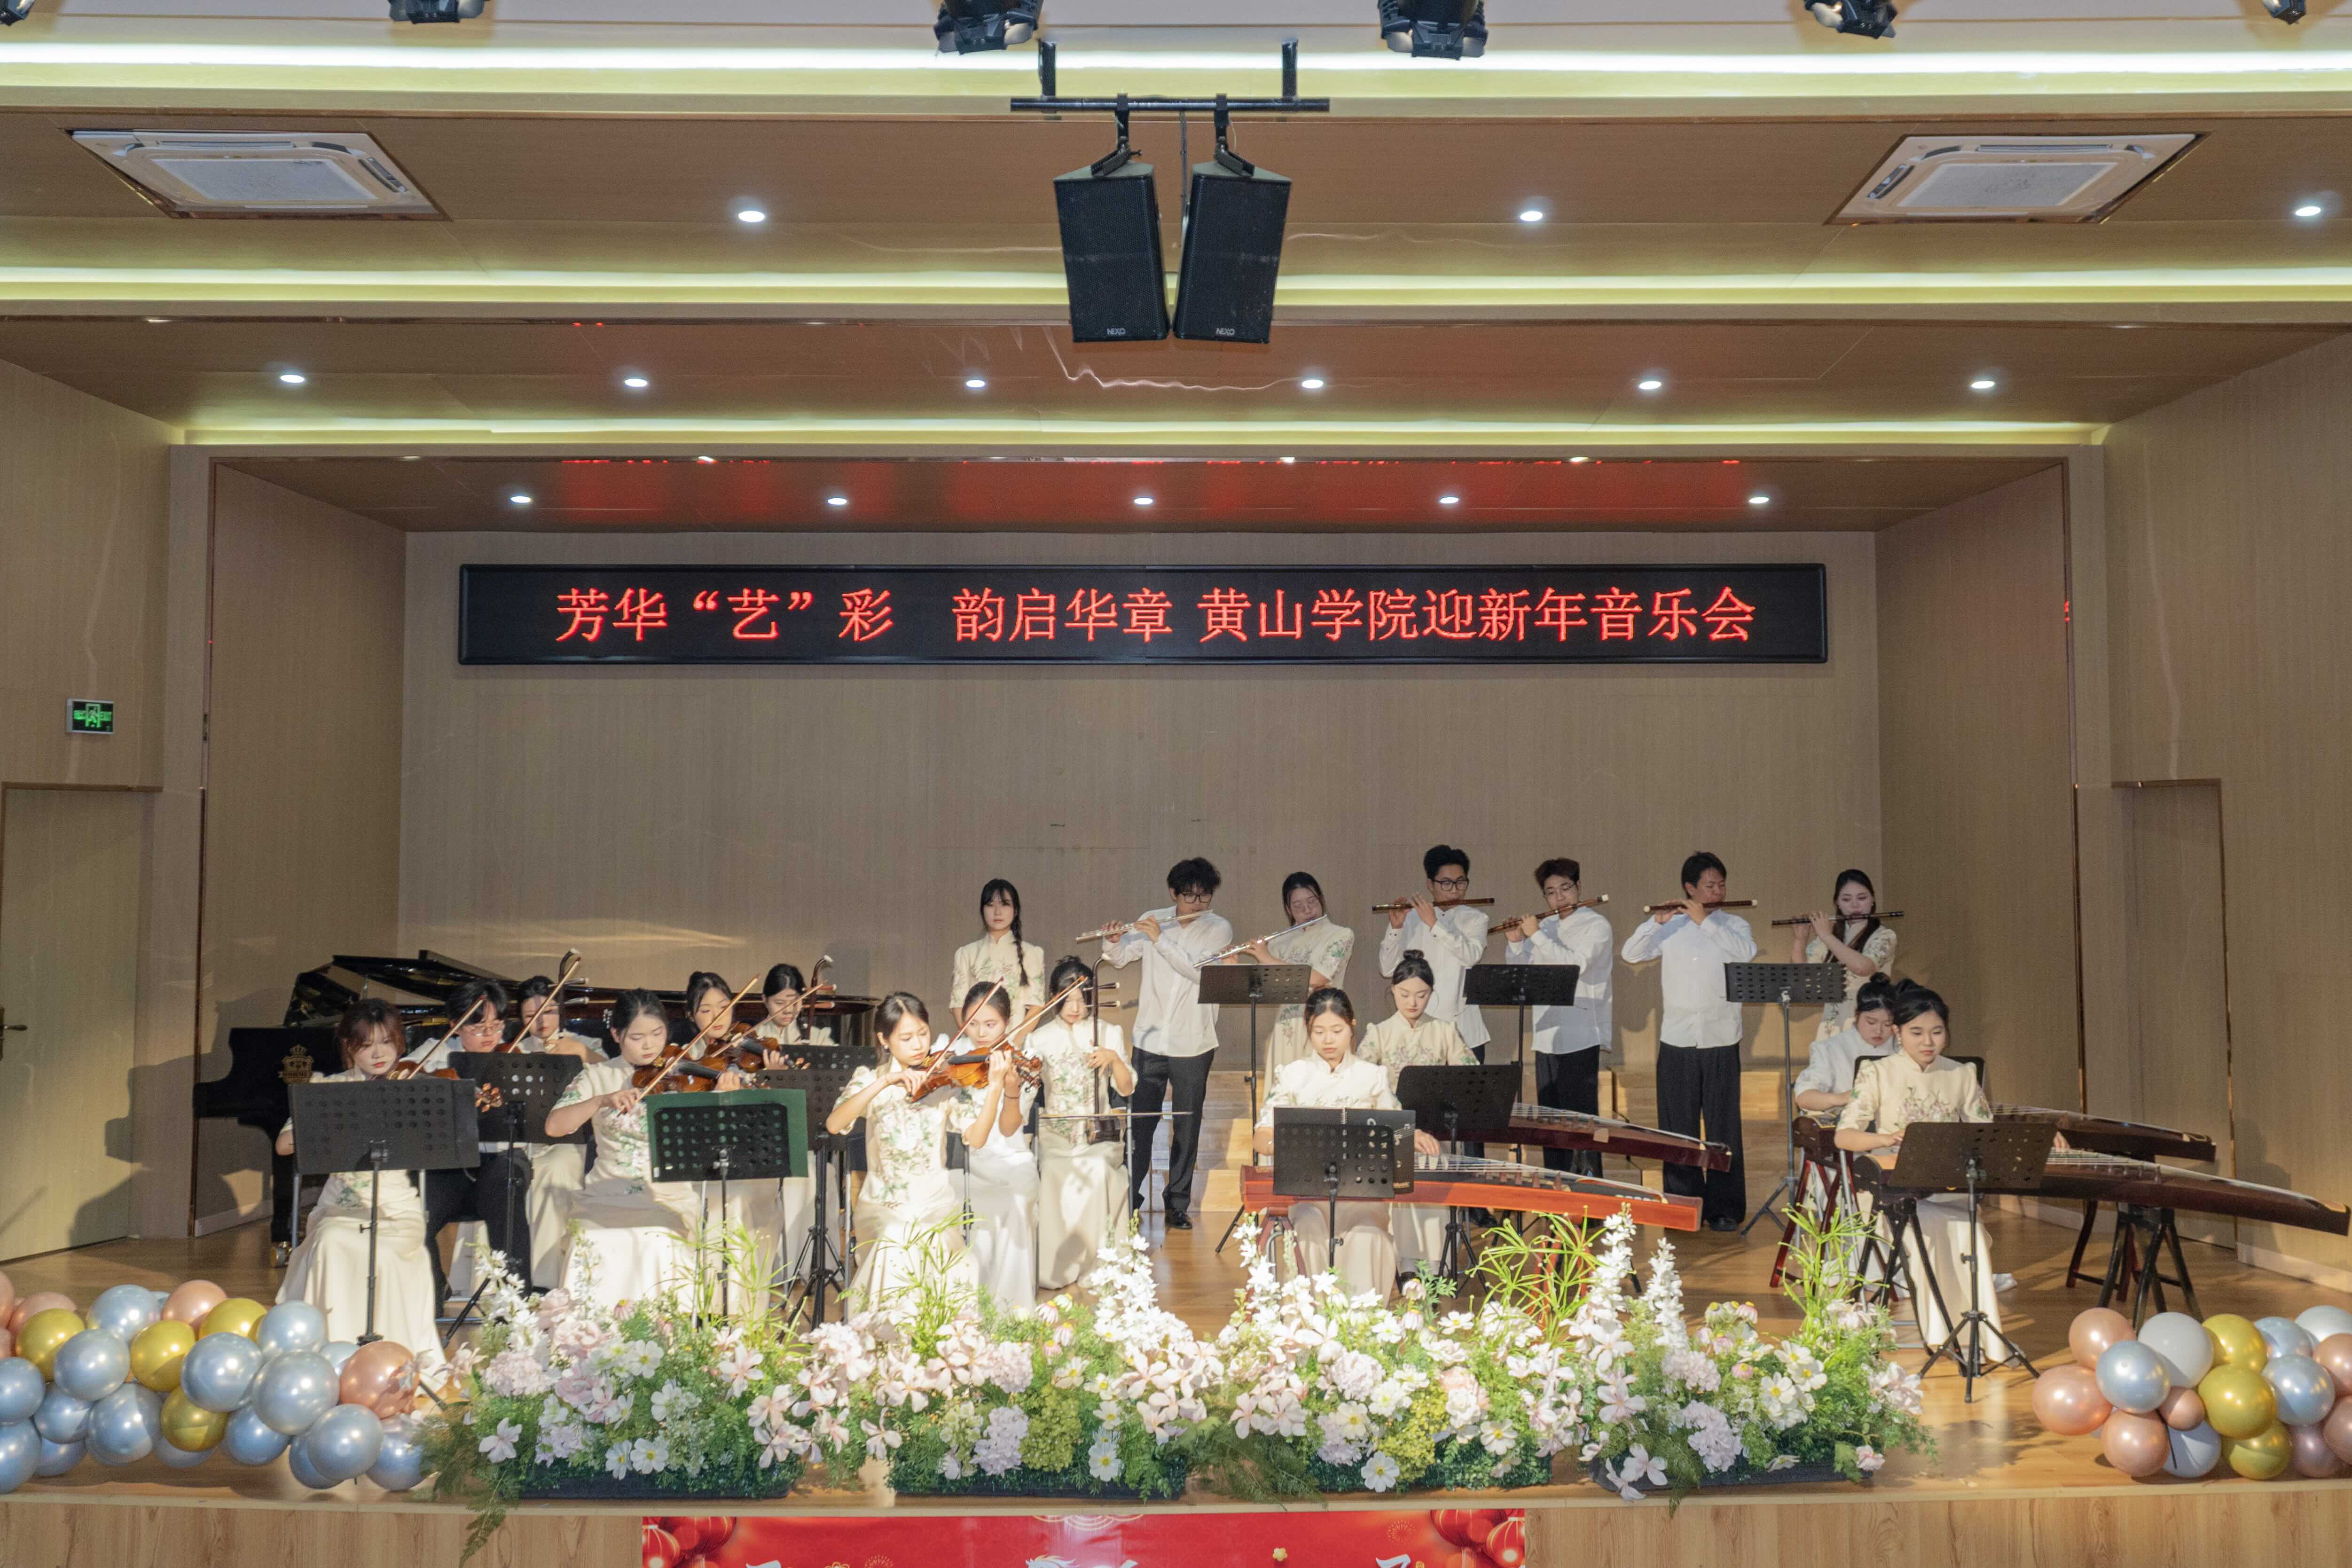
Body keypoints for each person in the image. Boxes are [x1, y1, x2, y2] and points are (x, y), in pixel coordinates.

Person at [543, 989, 750, 1311]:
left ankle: (665, 1328)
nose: (650, 1046)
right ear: (616, 1035)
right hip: (606, 1194)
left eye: (657, 1034)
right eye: (637, 1038)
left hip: (667, 1196)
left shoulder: (685, 1076)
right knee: (593, 1239)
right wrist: (600, 1100)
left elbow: (714, 1141)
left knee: (659, 1239)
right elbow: (554, 1126)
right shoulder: (598, 1076)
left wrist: (722, 1100)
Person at [274, 1001, 445, 1370]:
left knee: (385, 1254)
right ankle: (332, 1360)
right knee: (332, 1242)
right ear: (349, 1047)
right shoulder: (328, 1088)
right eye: (367, 1046)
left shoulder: (412, 1090)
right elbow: (284, 1144)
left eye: (387, 1042)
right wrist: (330, 1122)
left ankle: (393, 1361)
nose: (379, 1054)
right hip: (341, 1208)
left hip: (397, 1210)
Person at [1835, 980, 2001, 1351]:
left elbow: (1985, 1134)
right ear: (1897, 1032)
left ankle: (1978, 1339)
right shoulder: (1878, 1073)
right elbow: (1844, 1136)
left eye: (1937, 1032)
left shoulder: (1961, 1074)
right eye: (1916, 1032)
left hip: (1949, 1190)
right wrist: (1885, 1139)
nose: (1928, 1042)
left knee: (1970, 1235)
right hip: (1899, 1193)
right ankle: (1944, 1335)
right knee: (1928, 1234)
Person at [825, 993, 1012, 1312]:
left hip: (935, 1206)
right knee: (897, 1236)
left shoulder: (944, 1081)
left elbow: (977, 1139)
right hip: (883, 1207)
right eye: (907, 1038)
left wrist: (995, 1088)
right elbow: (834, 1124)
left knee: (924, 1236)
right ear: (884, 1040)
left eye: (923, 1034)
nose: (918, 1045)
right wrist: (886, 1082)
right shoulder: (869, 1079)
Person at [1253, 988, 1442, 1298]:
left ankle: (1361, 1321)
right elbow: (1262, 1136)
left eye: (1337, 1031)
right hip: (1307, 1193)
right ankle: (1308, 1319)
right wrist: (1286, 1145)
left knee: (1369, 1235)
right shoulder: (1292, 1075)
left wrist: (1415, 1134)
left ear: (1352, 1026)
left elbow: (1397, 1126)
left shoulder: (1373, 1076)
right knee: (1307, 1231)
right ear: (1308, 1029)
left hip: (1361, 1192)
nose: (1328, 1040)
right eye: (1319, 1032)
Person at [1619, 851, 1756, 1231]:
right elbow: (1631, 954)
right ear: (1689, 889)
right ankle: (1682, 1208)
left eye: (1721, 885)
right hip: (1677, 1040)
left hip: (1721, 1038)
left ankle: (1725, 1209)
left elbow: (1745, 954)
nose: (1718, 892)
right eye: (1710, 886)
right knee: (1678, 1129)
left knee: (1723, 1129)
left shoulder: (1735, 925)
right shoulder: (1671, 928)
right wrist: (1655, 922)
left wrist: (1705, 922)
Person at [1102, 857, 1234, 1232]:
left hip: (1194, 1041)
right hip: (1150, 1038)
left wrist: (1160, 939)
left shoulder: (1219, 928)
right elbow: (1120, 958)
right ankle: (1129, 1199)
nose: (1197, 904)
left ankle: (1177, 1203)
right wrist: (1113, 941)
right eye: (1189, 896)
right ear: (1174, 893)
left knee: (1187, 1127)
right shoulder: (1154, 918)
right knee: (1141, 1123)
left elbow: (1197, 972)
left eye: (1204, 897)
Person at [1354, 954, 1476, 1272]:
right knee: (1405, 1161)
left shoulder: (1445, 1030)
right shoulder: (1378, 1033)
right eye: (1405, 994)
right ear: (1393, 991)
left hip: (1435, 1127)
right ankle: (1404, 1265)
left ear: (1431, 993)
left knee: (1434, 1158)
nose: (1413, 1003)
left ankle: (1436, 1265)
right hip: (1391, 1128)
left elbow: (1472, 1079)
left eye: (1422, 995)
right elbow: (1359, 1084)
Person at [413, 978, 533, 1303]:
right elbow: (404, 1077)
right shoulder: (435, 1055)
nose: (490, 1035)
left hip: (502, 1160)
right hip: (448, 1166)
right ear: (455, 1025)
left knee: (506, 1185)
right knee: (416, 1213)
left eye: (497, 1025)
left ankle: (514, 1304)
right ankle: (433, 1292)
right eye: (478, 1028)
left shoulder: (516, 1057)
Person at [1500, 856, 1616, 1175]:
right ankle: (1557, 1189)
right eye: (1551, 893)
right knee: (1550, 1124)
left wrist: (1536, 936)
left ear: (1579, 887)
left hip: (1581, 1033)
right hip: (1547, 1034)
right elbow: (1524, 977)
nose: (1559, 898)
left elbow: (1574, 967)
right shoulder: (1546, 927)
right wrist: (1516, 944)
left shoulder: (1596, 926)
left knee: (1581, 1123)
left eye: (1565, 888)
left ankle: (1589, 1193)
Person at [1027, 956, 1136, 1290]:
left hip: (1097, 1136)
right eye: (1066, 999)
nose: (1075, 1008)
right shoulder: (1040, 1038)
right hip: (1056, 1136)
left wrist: (1114, 1059)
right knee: (1053, 1171)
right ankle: (1057, 1267)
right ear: (1053, 998)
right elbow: (1028, 1091)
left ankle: (1097, 1265)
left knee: (1096, 1169)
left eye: (1082, 998)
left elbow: (1127, 1088)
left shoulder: (1108, 1031)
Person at [510, 973, 603, 1289]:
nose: (541, 1022)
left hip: (571, 1141)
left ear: (561, 1011)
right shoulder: (514, 1050)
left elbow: (614, 1072)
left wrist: (585, 1055)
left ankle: (544, 1281)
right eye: (530, 1016)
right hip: (524, 1141)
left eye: (549, 1012)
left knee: (553, 1169)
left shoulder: (585, 1044)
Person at [954, 982, 1040, 1310]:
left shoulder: (1022, 1062)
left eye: (990, 1024)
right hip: (962, 1159)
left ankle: (1010, 1308)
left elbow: (1007, 1129)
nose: (980, 1033)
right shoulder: (954, 1054)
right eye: (972, 1023)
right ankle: (965, 1305)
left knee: (1014, 1202)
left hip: (1009, 1157)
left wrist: (1012, 1091)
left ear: (1007, 1022)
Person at [1376, 844, 1491, 1062]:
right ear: (1430, 885)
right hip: (1420, 1030)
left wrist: (1434, 924)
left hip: (1465, 1031)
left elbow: (1471, 956)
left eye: (1461, 882)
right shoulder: (1410, 918)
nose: (1455, 890)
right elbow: (1388, 969)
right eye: (1446, 883)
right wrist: (1396, 928)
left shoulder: (1476, 919)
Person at [1249, 872, 1357, 1074]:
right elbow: (1264, 986)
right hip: (1287, 1027)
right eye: (1298, 906)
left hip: (1326, 1024)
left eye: (1312, 902)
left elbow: (1320, 978)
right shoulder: (1280, 942)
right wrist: (1233, 961)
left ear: (1321, 899)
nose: (1307, 910)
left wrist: (1267, 958)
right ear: (1288, 909)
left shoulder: (1341, 935)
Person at [1792, 869, 1899, 1040]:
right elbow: (1803, 979)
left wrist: (1826, 936)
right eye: (1846, 900)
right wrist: (1800, 940)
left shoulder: (1885, 936)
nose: (1855, 905)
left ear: (1873, 899)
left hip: (1872, 1023)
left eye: (1862, 898)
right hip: (1833, 1025)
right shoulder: (1829, 937)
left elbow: (1863, 968)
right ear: (1838, 903)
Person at [1793, 974, 1897, 1114]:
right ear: (1857, 1013)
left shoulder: (1903, 1047)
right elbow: (1804, 1098)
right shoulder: (1831, 1048)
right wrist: (1842, 1098)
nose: (1879, 1031)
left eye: (1888, 1024)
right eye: (1871, 1022)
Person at [951, 878, 1047, 1023]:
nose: (997, 912)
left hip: (1016, 1036)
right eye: (990, 905)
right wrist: (974, 1034)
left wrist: (1016, 1036)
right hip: (977, 1036)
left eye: (1005, 904)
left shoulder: (1032, 953)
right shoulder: (966, 954)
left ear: (1016, 911)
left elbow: (1037, 1006)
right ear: (982, 911)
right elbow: (958, 1005)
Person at [752, 962, 837, 1065]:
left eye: (795, 1003)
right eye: (780, 1003)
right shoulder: (754, 1037)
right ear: (765, 1000)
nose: (788, 1010)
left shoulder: (819, 1038)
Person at [678, 971, 736, 1045]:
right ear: (691, 1016)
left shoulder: (744, 1042)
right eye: (706, 1011)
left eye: (724, 1007)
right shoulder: (687, 1052)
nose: (717, 1017)